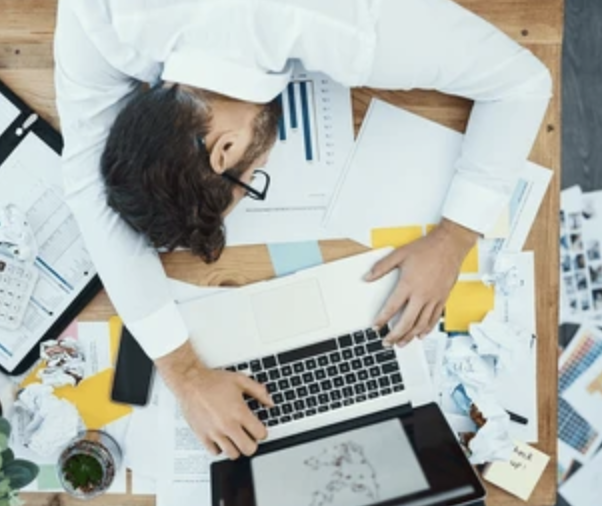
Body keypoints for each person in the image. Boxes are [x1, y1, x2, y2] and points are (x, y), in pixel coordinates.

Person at [53, 0, 552, 460]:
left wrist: (455, 238)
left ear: (224, 151)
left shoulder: (349, 29)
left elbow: (523, 81)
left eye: (248, 184)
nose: (252, 181)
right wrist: (181, 371)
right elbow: (85, 180)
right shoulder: (102, 16)